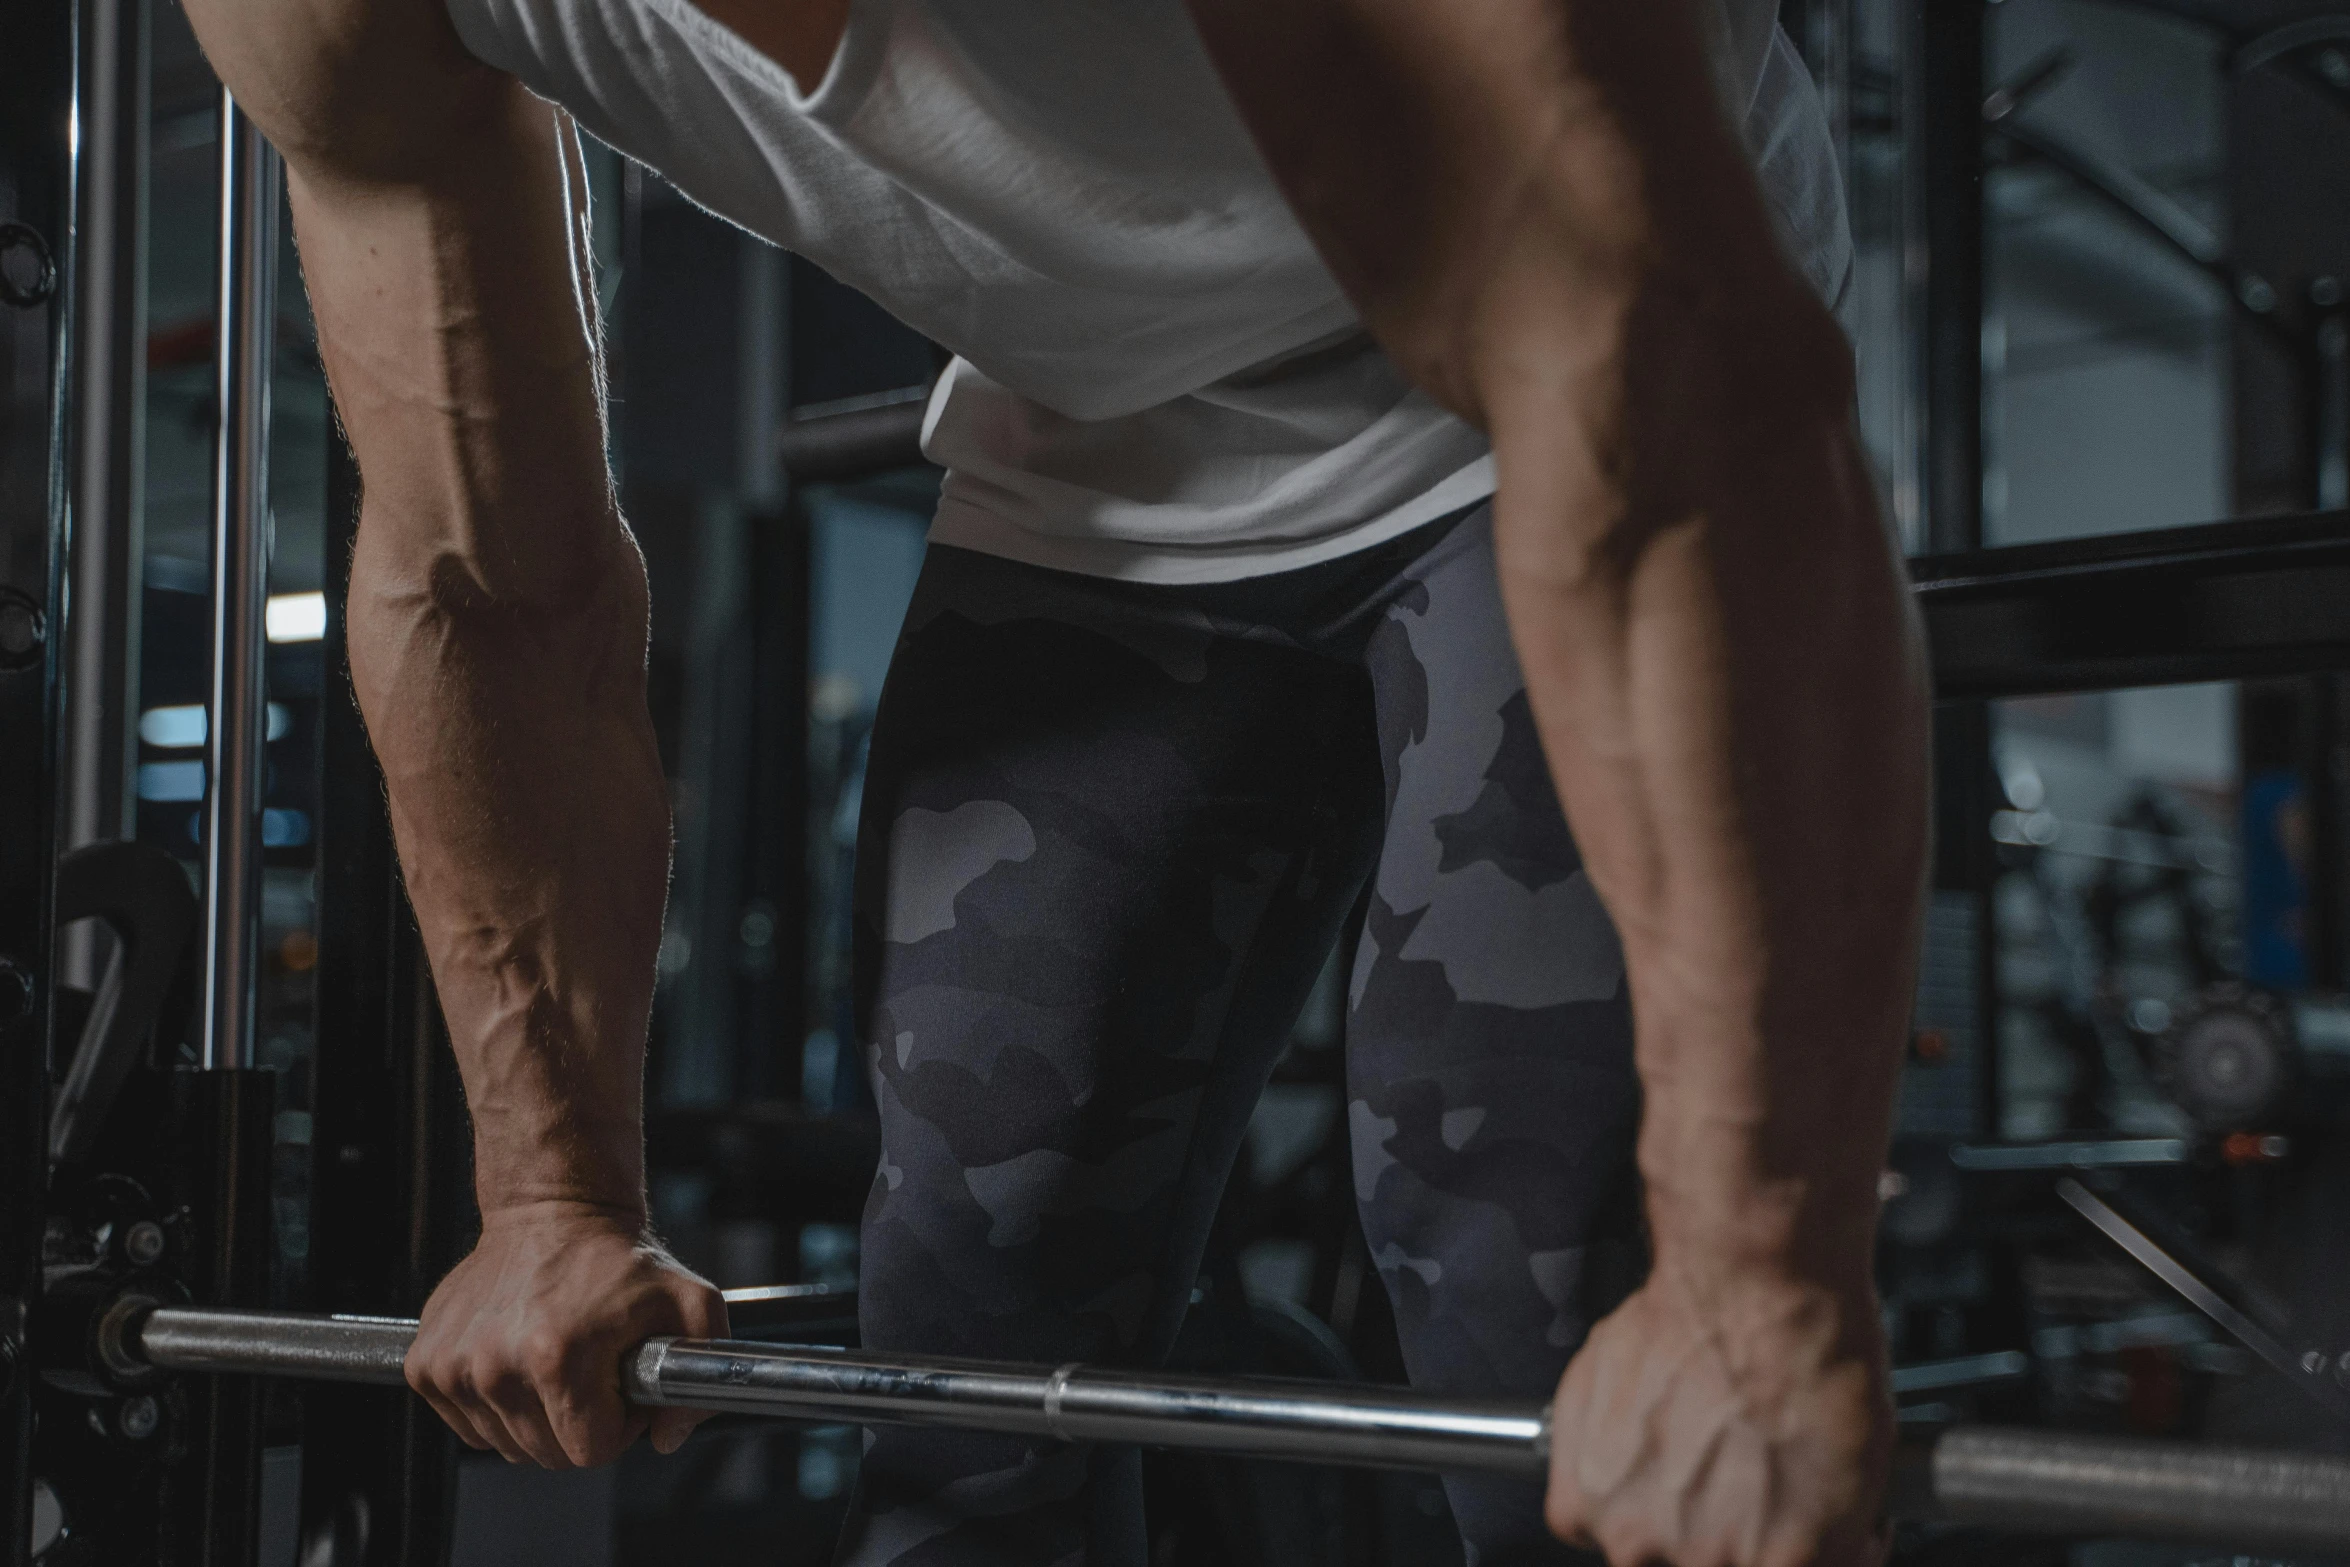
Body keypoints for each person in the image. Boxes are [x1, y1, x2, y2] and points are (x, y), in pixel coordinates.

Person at [180, 0, 1930, 1561]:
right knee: (965, 1344)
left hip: (1567, 358)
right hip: (1096, 451)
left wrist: (1758, 1286)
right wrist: (552, 1204)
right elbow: (491, 586)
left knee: (1535, 1300)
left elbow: (1669, 381)